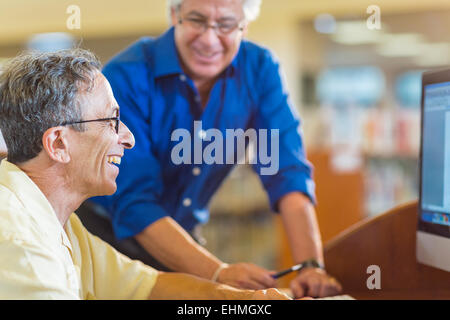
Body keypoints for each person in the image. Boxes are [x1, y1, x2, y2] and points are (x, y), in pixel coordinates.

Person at [80, 0, 342, 298]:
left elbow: (284, 171)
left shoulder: (258, 70)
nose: (208, 39)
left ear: (244, 24)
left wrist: (309, 265)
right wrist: (218, 274)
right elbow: (135, 203)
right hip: (106, 233)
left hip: (180, 235)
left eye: (226, 24)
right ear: (174, 15)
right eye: (196, 20)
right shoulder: (127, 75)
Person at [0, 49, 291, 300]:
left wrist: (247, 300)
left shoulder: (59, 220)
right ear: (58, 144)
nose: (128, 138)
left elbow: (146, 284)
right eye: (111, 121)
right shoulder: (19, 243)